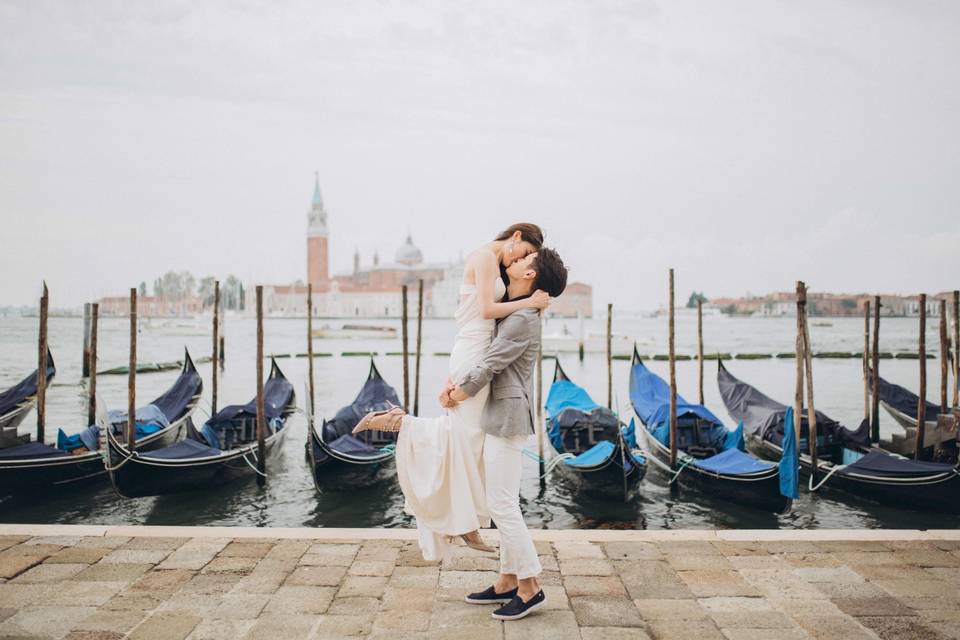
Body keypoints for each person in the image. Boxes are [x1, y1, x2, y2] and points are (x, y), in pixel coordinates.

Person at [357, 247, 569, 621]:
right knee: (499, 500)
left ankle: (530, 586)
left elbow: (490, 364)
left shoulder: (523, 319)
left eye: (522, 261)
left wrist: (457, 392)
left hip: (507, 419)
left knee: (502, 504)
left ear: (530, 275)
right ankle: (506, 580)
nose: (513, 263)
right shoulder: (520, 310)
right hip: (498, 416)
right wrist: (455, 382)